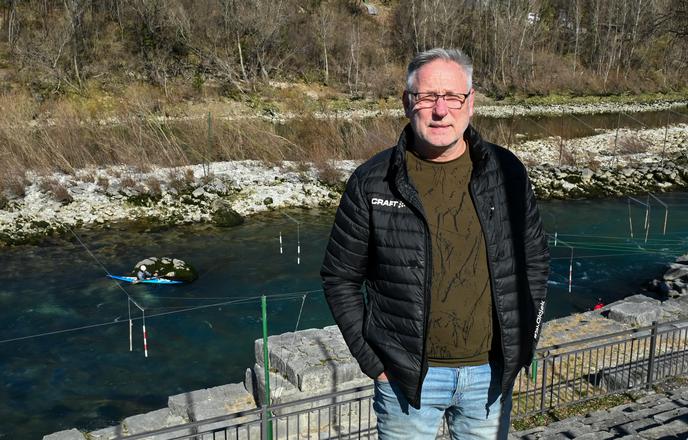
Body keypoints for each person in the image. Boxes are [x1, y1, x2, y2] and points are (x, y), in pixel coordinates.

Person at [320, 48, 550, 439]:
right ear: (407, 102)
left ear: (471, 102)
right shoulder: (372, 181)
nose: (441, 110)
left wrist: (525, 340)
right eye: (427, 97)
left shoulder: (507, 172)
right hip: (407, 380)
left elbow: (535, 263)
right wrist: (373, 360)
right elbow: (339, 277)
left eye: (453, 97)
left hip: (489, 377)